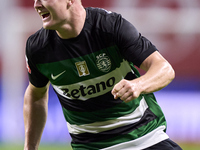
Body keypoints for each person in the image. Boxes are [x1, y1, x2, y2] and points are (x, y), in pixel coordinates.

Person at [23, 0, 182, 150]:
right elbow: (36, 94)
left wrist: (138, 85)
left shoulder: (110, 27)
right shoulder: (38, 49)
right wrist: (30, 147)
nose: (36, 4)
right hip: (90, 146)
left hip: (144, 138)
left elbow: (164, 69)